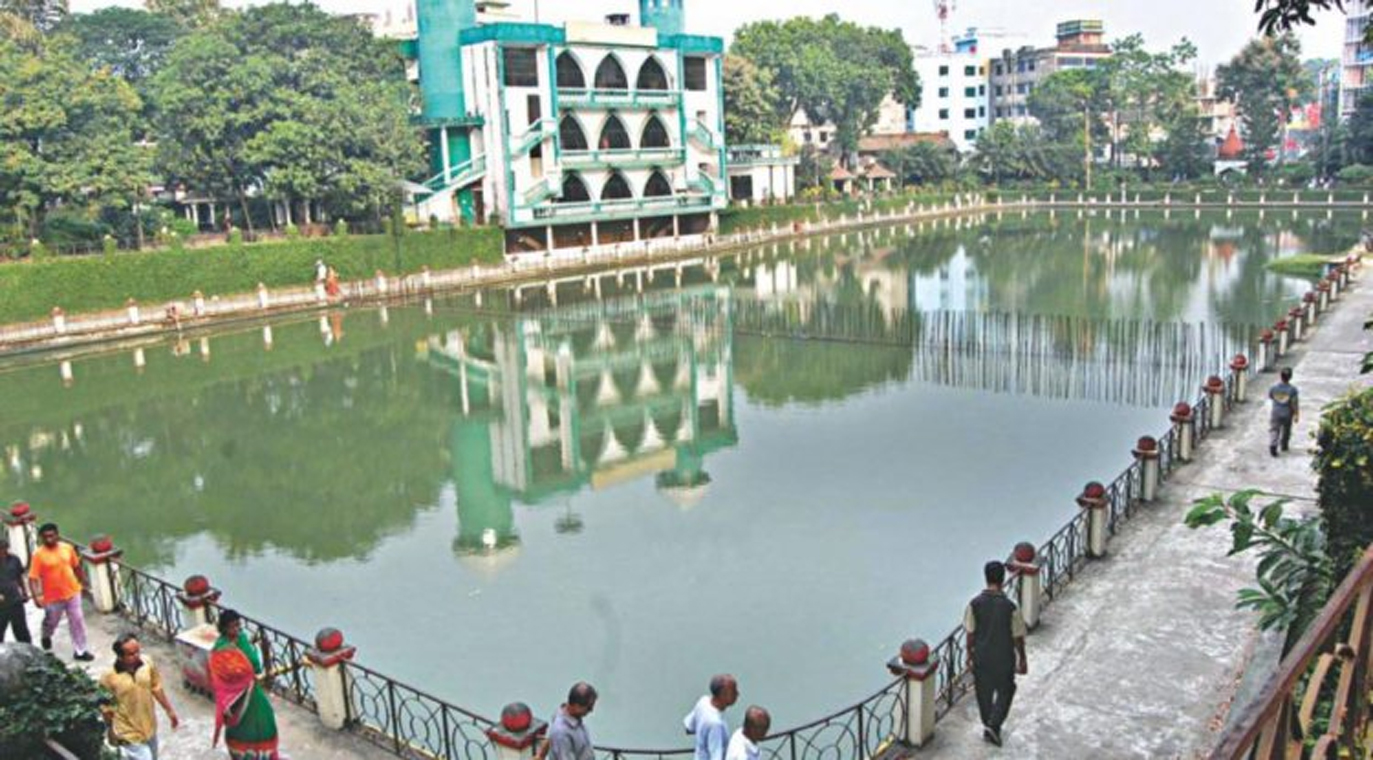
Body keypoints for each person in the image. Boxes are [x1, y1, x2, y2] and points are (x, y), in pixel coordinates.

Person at [964, 560, 1027, 748]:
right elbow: (1017, 636)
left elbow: (970, 633)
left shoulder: (974, 604)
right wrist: (1022, 658)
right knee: (1006, 689)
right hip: (1004, 657)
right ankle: (993, 725)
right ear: (1003, 579)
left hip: (982, 657)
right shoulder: (1010, 607)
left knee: (983, 692)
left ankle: (989, 724)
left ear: (986, 578)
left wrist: (969, 654)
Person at [209, 609, 280, 759]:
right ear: (223, 628)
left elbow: (255, 664)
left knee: (265, 720)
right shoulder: (221, 648)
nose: (236, 629)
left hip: (252, 692)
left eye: (238, 625)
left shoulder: (242, 639)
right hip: (235, 699)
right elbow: (222, 675)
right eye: (232, 626)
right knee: (242, 730)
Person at [101, 633, 180, 760]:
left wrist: (169, 710)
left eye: (138, 651)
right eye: (131, 654)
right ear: (120, 656)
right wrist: (110, 730)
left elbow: (156, 687)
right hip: (127, 731)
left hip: (149, 726)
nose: (137, 656)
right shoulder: (108, 677)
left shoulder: (147, 663)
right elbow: (106, 707)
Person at [27, 522, 93, 661]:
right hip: (52, 597)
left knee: (77, 620)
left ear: (57, 535)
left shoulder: (67, 548)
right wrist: (36, 597)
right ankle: (46, 634)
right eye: (45, 537)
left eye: (52, 536)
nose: (49, 539)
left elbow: (76, 567)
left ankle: (80, 651)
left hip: (73, 591)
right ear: (41, 538)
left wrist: (84, 582)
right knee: (52, 621)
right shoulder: (38, 555)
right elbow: (32, 578)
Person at [683, 674, 738, 760]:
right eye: (733, 691)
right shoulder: (716, 724)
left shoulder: (703, 701)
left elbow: (689, 728)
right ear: (723, 694)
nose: (737, 694)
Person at [540, 681, 597, 760]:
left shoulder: (569, 716)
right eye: (589, 707)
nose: (591, 711)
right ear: (577, 706)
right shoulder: (561, 733)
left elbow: (549, 739)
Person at [0, 537, 31, 643]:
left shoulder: (14, 559)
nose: (2, 552)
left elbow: (19, 577)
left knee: (21, 629)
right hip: (1, 605)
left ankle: (28, 651)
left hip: (15, 599)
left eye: (4, 549)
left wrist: (25, 592)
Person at [1269, 367, 1300, 458]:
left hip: (1276, 412)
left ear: (1280, 376)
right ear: (1290, 377)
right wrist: (1296, 414)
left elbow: (1271, 396)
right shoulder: (1292, 389)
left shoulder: (1274, 388)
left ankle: (1273, 445)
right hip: (1287, 413)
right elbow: (1294, 403)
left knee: (1274, 429)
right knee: (1286, 430)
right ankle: (1284, 445)